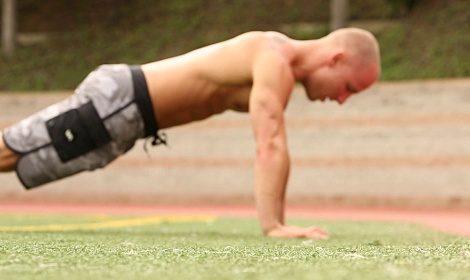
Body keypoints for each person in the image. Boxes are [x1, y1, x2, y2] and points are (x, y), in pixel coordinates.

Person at [0, 28, 381, 239]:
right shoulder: (273, 58)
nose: (343, 99)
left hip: (128, 121)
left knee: (24, 159)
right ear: (335, 60)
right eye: (349, 87)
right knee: (13, 148)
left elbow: (275, 144)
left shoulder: (279, 67)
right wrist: (274, 228)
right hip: (121, 100)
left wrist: (280, 225)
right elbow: (269, 145)